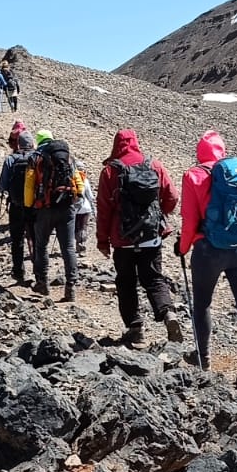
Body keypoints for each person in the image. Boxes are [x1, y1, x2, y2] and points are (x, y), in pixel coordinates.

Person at [176, 130, 237, 389]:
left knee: (202, 304)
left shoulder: (194, 176)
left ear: (199, 152)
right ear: (222, 152)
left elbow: (190, 220)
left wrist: (182, 248)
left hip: (208, 250)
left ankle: (202, 360)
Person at [97, 128, 182, 345]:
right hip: (151, 237)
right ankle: (168, 314)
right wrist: (160, 214)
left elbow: (104, 210)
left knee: (126, 282)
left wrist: (102, 240)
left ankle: (135, 329)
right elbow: (172, 197)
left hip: (122, 239)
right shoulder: (154, 165)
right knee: (154, 278)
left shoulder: (110, 171)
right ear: (136, 143)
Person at [24, 128, 81, 302]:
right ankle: (71, 287)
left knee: (41, 246)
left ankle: (43, 283)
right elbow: (79, 183)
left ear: (39, 141)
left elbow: (29, 185)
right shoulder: (68, 157)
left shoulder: (36, 158)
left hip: (45, 208)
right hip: (67, 207)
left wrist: (29, 205)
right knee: (69, 248)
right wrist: (73, 198)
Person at [0, 130, 36, 285]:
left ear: (19, 144)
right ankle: (39, 271)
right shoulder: (38, 158)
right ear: (32, 144)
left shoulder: (11, 159)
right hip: (34, 206)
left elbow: (2, 185)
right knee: (36, 237)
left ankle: (19, 271)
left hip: (16, 205)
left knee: (17, 239)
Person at [72, 155, 94, 258]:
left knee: (75, 227)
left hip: (74, 208)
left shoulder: (72, 179)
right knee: (83, 227)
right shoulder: (85, 180)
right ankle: (81, 245)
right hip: (85, 207)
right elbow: (90, 196)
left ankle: (76, 245)